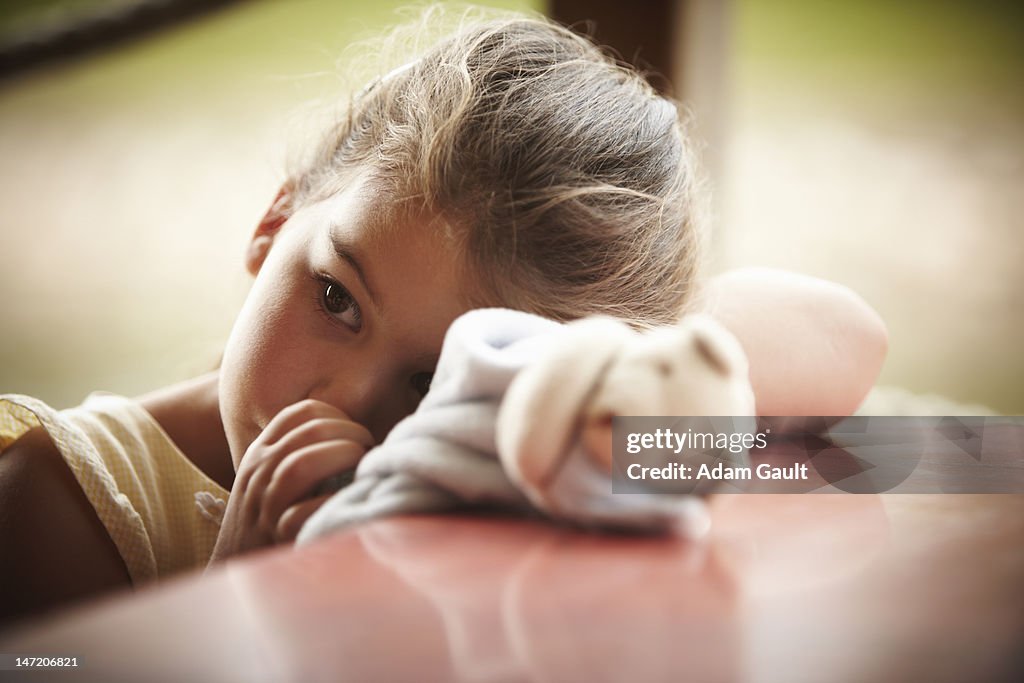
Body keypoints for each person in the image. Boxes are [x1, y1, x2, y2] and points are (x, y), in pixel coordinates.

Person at [0, 11, 887, 621]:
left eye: (434, 378)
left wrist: (600, 375)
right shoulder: (62, 501)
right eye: (336, 297)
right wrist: (239, 607)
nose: (345, 400)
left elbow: (849, 338)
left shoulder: (502, 446)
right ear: (275, 222)